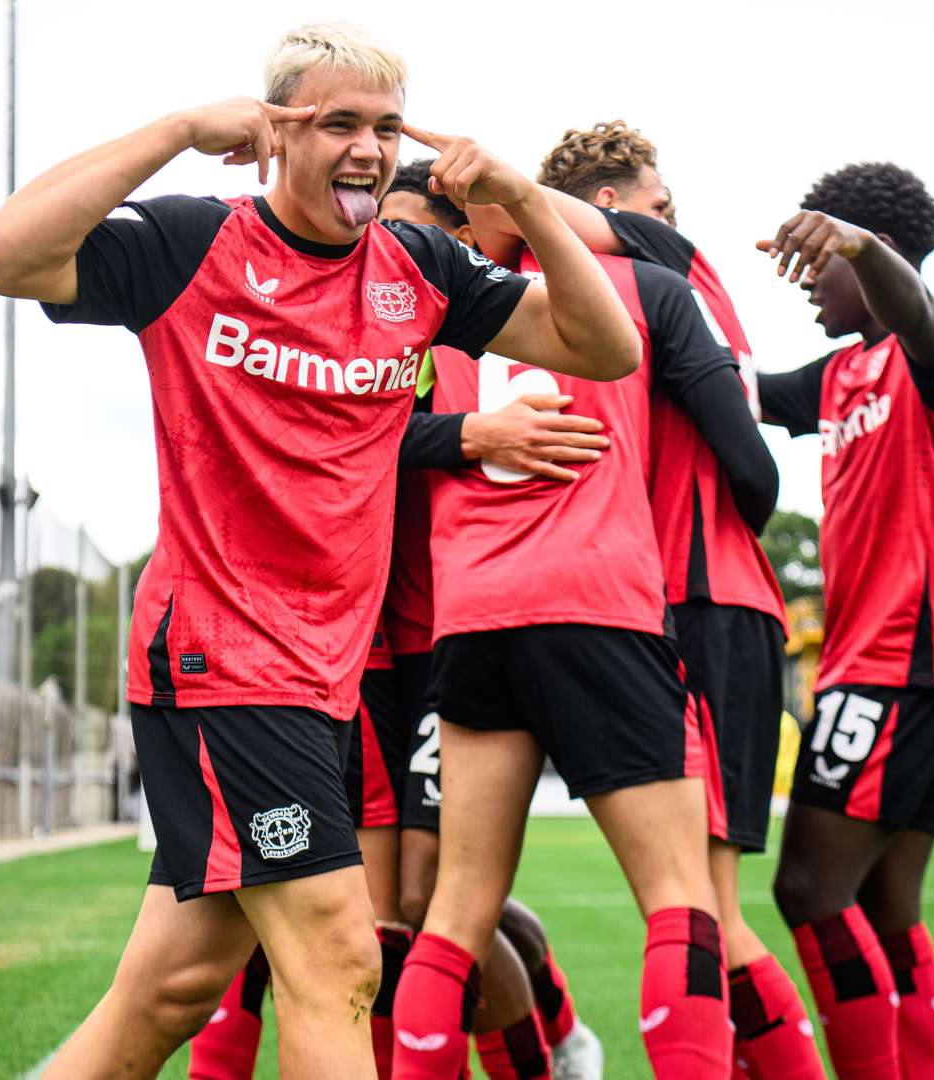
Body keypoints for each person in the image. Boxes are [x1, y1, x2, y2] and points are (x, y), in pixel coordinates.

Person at [0, 24, 640, 1079]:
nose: (367, 149)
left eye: (382, 126)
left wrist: (528, 198)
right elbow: (1, 254)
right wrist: (180, 130)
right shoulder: (194, 246)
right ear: (275, 132)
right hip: (221, 664)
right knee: (335, 958)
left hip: (327, 678)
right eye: (336, 124)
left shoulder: (418, 269)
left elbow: (606, 346)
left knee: (169, 994)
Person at [476, 119, 826, 1079]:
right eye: (659, 205)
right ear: (612, 205)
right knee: (706, 911)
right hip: (686, 601)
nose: (676, 223)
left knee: (705, 913)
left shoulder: (664, 276)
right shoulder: (652, 279)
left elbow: (753, 466)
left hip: (692, 600)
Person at [391, 210, 748, 1078]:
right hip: (599, 602)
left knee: (453, 913)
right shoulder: (640, 290)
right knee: (679, 902)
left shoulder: (437, 318)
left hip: (473, 614)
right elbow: (738, 450)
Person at [754, 163, 934, 1080]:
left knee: (809, 890)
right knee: (888, 914)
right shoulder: (839, 373)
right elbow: (734, 385)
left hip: (910, 660)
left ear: (874, 253)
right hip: (879, 665)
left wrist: (862, 244)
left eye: (825, 259)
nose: (810, 278)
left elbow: (925, 318)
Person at [380, 161, 608, 1080]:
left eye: (408, 232)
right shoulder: (360, 330)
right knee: (375, 909)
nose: (383, 252)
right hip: (357, 649)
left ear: (453, 240)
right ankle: (554, 1017)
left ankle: (549, 1051)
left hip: (452, 646)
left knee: (433, 896)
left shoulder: (487, 332)